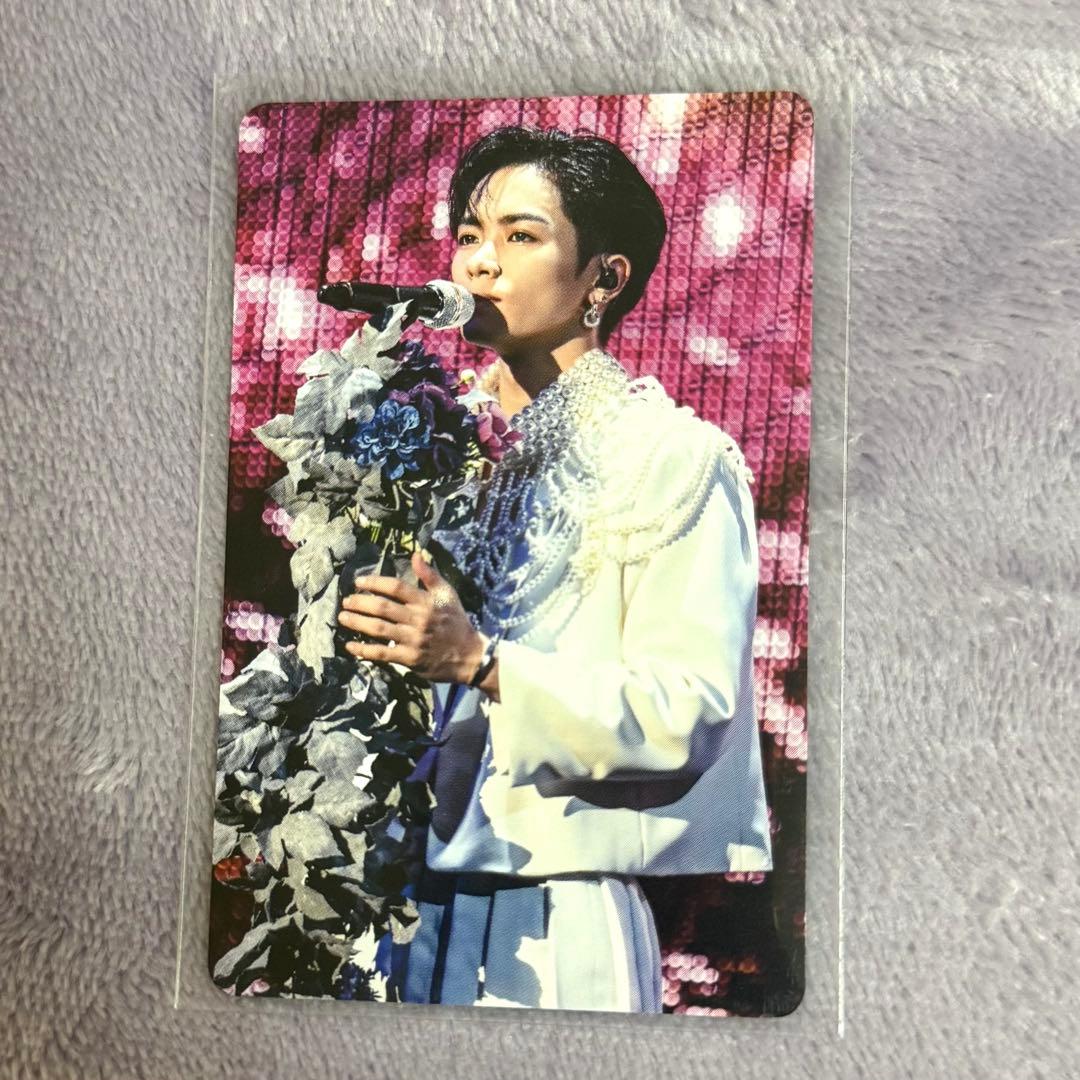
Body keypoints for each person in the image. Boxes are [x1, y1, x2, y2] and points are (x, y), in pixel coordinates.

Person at [336, 125, 772, 1012]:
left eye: (520, 235)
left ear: (603, 279)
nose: (479, 263)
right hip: (387, 912)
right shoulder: (422, 444)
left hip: (556, 918)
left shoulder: (673, 456)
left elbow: (689, 708)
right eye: (469, 235)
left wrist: (480, 663)